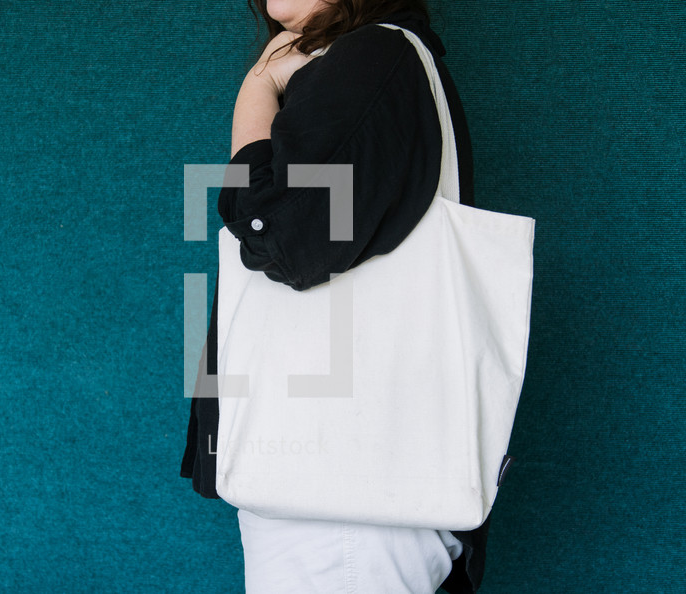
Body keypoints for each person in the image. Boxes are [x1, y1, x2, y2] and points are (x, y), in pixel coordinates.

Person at [181, 0, 490, 591]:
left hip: (346, 500)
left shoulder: (374, 56)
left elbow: (283, 233)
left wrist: (257, 88)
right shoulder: (374, 62)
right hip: (351, 489)